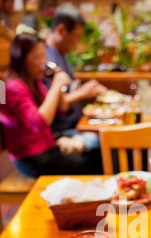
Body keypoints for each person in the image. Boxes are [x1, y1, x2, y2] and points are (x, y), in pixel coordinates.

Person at [0, 33, 103, 177]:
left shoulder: (33, 81)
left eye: (44, 56)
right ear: (20, 59)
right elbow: (39, 123)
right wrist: (56, 85)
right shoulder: (11, 86)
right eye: (37, 57)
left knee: (100, 153)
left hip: (47, 147)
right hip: (32, 159)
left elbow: (61, 108)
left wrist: (56, 80)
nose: (43, 62)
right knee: (96, 163)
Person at [44, 3, 107, 149]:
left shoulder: (61, 54)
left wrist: (87, 90)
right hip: (61, 132)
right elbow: (56, 104)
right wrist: (81, 93)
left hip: (75, 124)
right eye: (76, 36)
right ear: (61, 30)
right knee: (106, 142)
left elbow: (68, 91)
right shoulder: (47, 60)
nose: (77, 42)